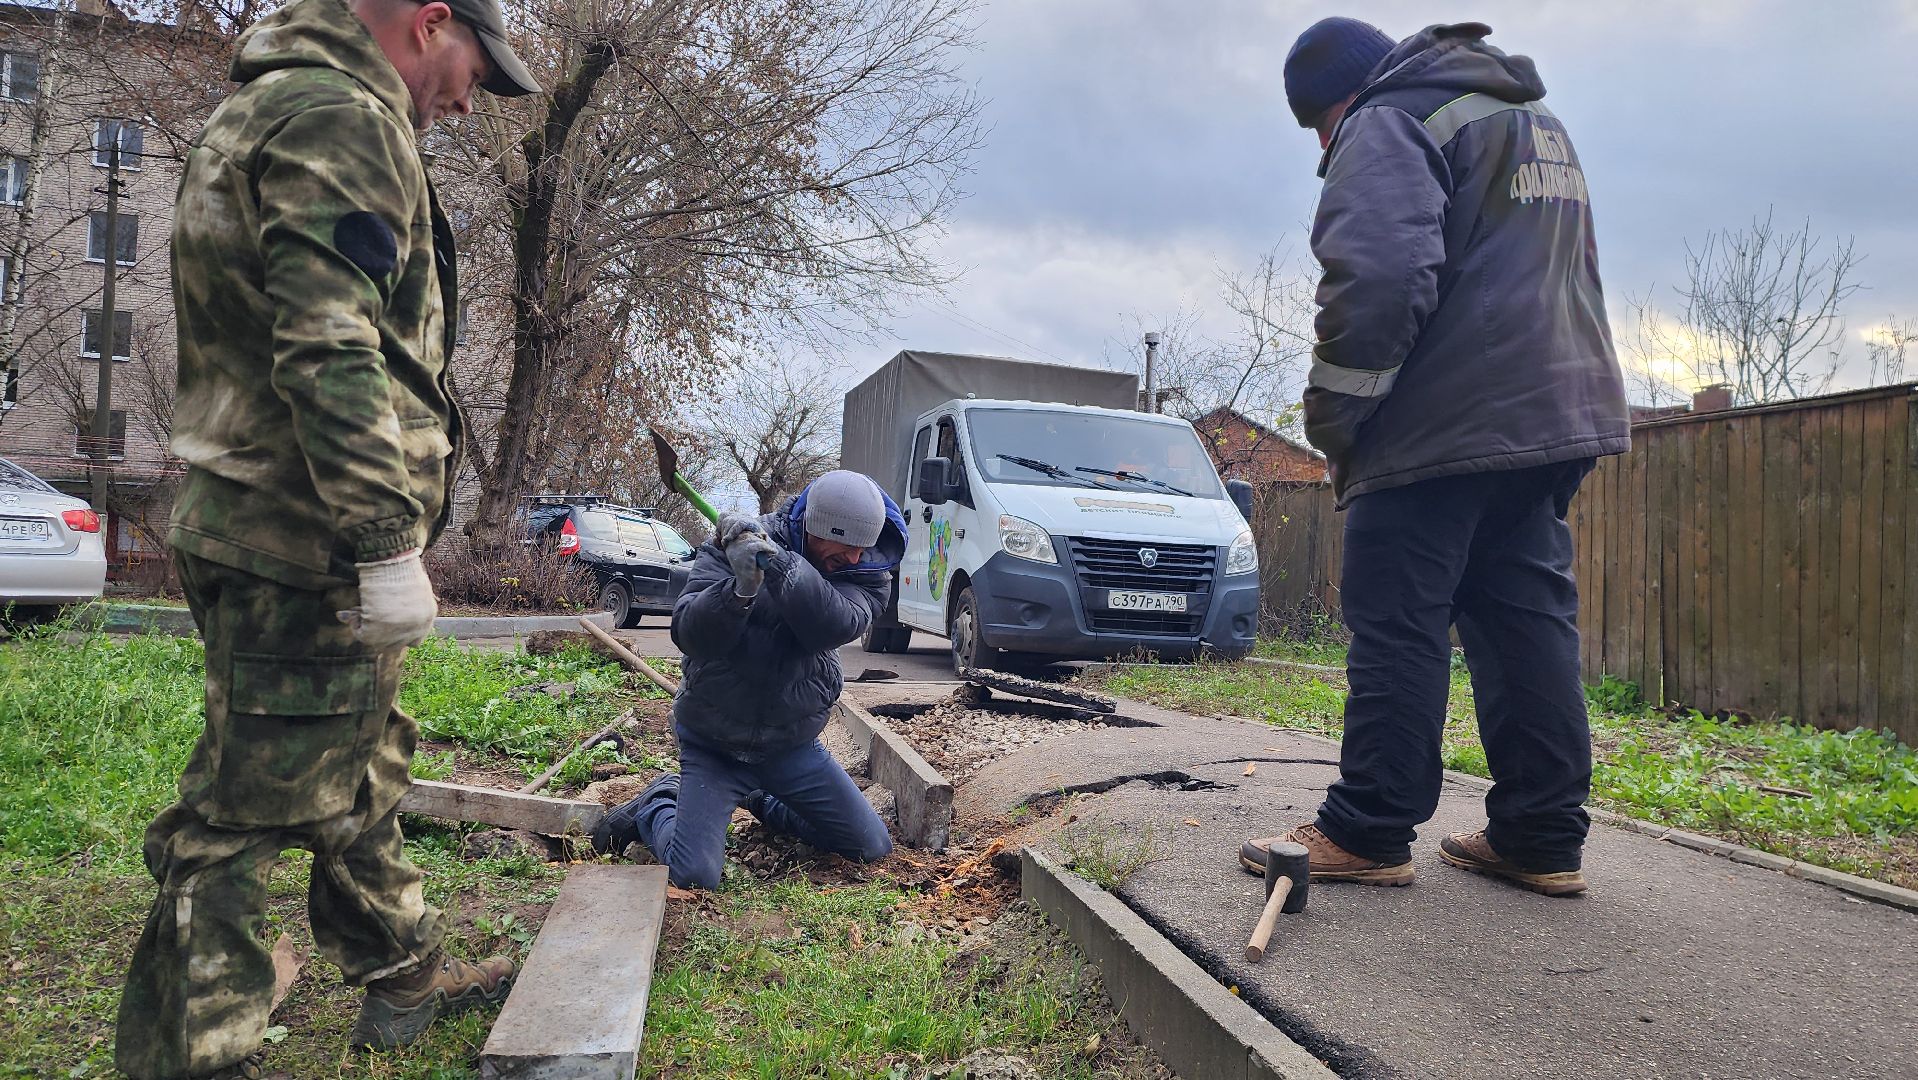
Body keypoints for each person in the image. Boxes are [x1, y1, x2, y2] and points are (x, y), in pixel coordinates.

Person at [115, 1, 540, 1076]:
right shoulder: (339, 119)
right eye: (472, 71)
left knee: (359, 761)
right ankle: (194, 1057)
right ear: (430, 21)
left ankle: (400, 970)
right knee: (239, 816)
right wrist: (384, 539)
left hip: (273, 522)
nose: (467, 97)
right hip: (303, 539)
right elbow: (328, 345)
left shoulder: (269, 103)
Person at [1241, 18, 1629, 898]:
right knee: (1522, 618)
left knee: (1397, 618)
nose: (1326, 145)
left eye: (1318, 129)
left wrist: (1339, 417)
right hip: (1553, 414)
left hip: (1444, 423)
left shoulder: (1390, 118)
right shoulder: (1531, 119)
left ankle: (1368, 829)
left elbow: (1377, 276)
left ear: (1335, 103)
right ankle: (1539, 834)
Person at [594, 470, 909, 889]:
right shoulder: (734, 545)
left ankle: (760, 799)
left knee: (870, 846)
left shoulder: (866, 572)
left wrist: (778, 565)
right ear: (814, 527)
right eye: (846, 546)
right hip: (714, 743)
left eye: (861, 548)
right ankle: (658, 802)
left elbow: (832, 624)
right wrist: (738, 591)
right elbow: (689, 633)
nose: (854, 557)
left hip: (790, 746)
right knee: (695, 876)